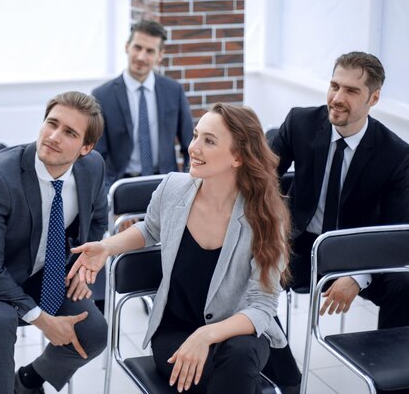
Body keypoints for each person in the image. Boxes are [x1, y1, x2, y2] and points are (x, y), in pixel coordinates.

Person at [69, 103, 291, 393]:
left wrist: (206, 335)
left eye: (209, 141)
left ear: (238, 156)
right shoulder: (173, 187)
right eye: (196, 135)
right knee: (228, 375)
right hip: (175, 330)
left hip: (236, 331)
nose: (193, 148)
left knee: (239, 357)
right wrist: (106, 247)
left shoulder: (265, 217)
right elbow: (149, 229)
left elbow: (263, 307)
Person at [0, 91, 108, 394]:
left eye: (69, 132)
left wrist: (82, 265)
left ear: (86, 148)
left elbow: (98, 220)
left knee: (94, 332)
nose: (53, 136)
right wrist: (43, 320)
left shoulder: (92, 167)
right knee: (1, 320)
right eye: (51, 123)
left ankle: (27, 381)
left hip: (38, 269)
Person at [271, 52, 409, 329]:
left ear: (374, 98)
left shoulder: (396, 154)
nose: (337, 98)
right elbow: (261, 178)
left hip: (358, 251)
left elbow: (396, 231)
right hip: (299, 244)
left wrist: (359, 276)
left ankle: (384, 369)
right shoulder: (300, 123)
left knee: (404, 285)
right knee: (246, 272)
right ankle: (277, 368)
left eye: (351, 91)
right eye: (334, 86)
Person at [92, 19, 193, 190]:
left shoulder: (173, 91)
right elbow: (96, 156)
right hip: (123, 185)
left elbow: (190, 146)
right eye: (137, 47)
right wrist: (111, 197)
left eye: (149, 51)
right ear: (127, 47)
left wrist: (187, 187)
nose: (141, 57)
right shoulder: (102, 96)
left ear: (159, 55)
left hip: (167, 183)